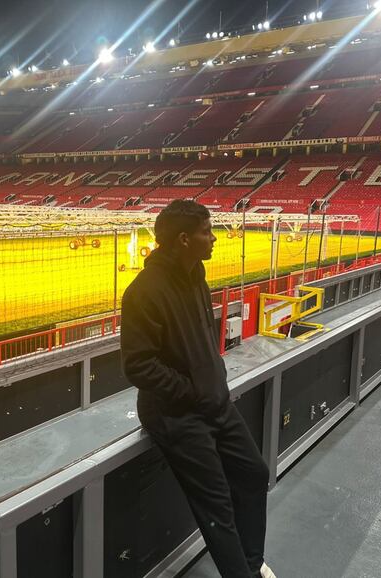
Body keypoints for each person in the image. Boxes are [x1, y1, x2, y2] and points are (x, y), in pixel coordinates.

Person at [121, 200, 275, 578]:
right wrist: (193, 393)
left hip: (213, 402)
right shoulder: (143, 292)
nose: (215, 238)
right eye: (208, 231)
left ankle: (251, 566)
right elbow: (138, 366)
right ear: (184, 239)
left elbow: (203, 341)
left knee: (254, 473)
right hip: (176, 414)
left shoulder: (197, 276)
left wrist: (213, 382)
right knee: (217, 507)